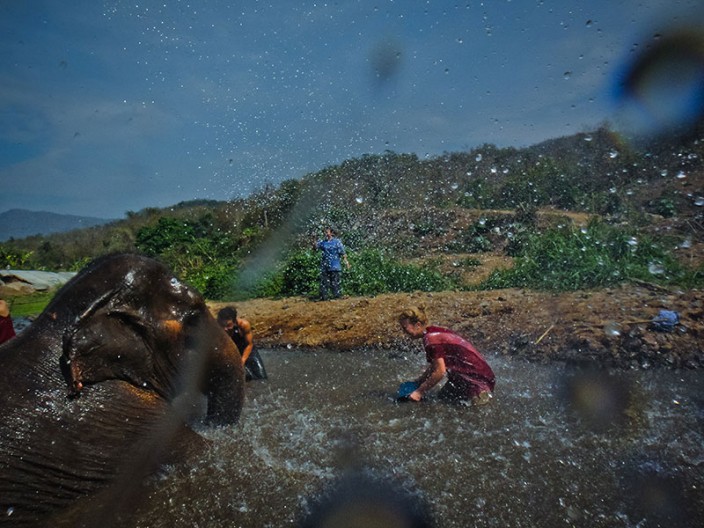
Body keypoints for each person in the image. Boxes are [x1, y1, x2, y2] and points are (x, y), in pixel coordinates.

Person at [398, 306, 495, 405]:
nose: (403, 332)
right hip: (471, 376)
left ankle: (482, 394)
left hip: (477, 381)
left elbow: (440, 371)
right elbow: (435, 366)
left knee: (471, 410)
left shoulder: (431, 339)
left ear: (418, 325)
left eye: (405, 328)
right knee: (442, 397)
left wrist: (419, 392)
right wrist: (419, 382)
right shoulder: (432, 331)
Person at [217, 306, 268, 381]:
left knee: (261, 378)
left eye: (228, 325)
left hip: (248, 350)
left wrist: (242, 361)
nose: (225, 329)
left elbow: (249, 345)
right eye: (223, 325)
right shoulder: (216, 327)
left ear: (234, 321)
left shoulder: (244, 325)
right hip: (232, 351)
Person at [312, 227, 351, 300]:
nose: (325, 234)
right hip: (325, 266)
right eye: (325, 232)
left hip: (335, 265)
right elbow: (315, 248)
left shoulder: (337, 242)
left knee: (335, 283)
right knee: (324, 283)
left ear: (331, 233)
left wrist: (346, 262)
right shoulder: (323, 242)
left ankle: (337, 296)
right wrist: (314, 239)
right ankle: (324, 297)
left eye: (327, 232)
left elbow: (343, 253)